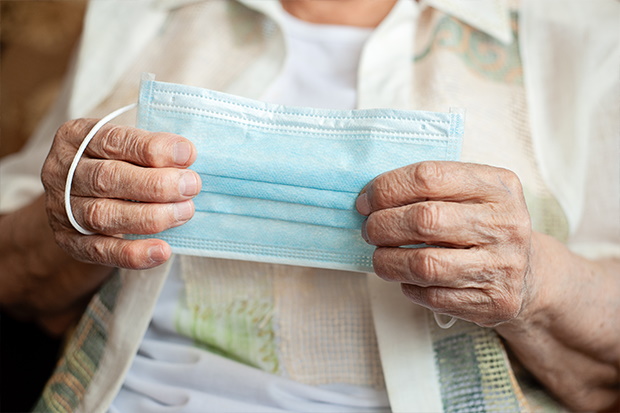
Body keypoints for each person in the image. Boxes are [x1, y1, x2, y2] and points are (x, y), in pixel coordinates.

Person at [0, 0, 618, 411]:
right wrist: (74, 213)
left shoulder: (580, 33)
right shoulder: (143, 11)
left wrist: (534, 277)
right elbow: (13, 272)